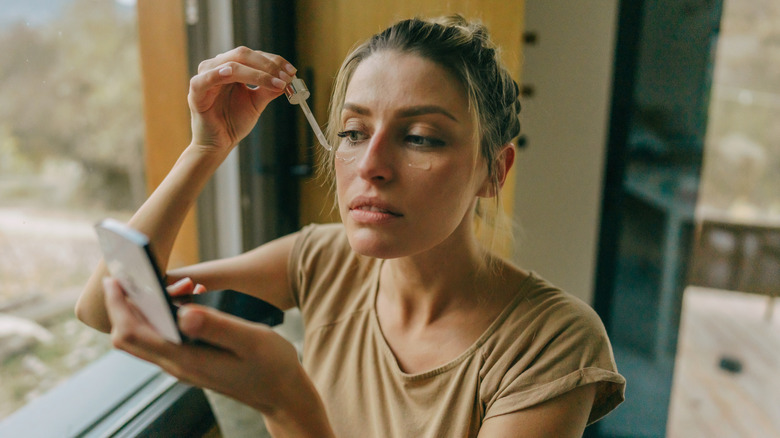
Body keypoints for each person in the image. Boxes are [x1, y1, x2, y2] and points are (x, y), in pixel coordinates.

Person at [76, 15, 625, 437]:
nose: (370, 166)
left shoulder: (552, 344)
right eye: (354, 132)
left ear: (492, 171)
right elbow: (105, 305)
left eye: (421, 138)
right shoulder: (323, 258)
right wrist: (205, 147)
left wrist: (288, 404)